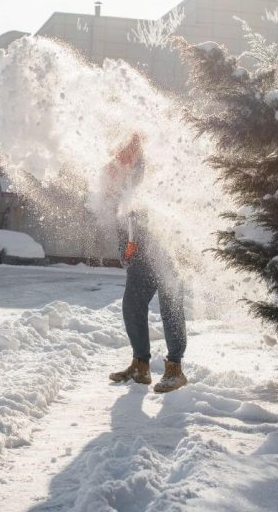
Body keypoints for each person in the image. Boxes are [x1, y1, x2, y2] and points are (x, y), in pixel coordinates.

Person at [104, 134, 189, 393]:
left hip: (168, 250)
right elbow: (123, 220)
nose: (120, 155)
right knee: (132, 305)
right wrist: (126, 251)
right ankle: (140, 364)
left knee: (170, 306)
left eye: (126, 149)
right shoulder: (121, 176)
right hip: (142, 254)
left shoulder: (154, 168)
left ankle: (175, 368)